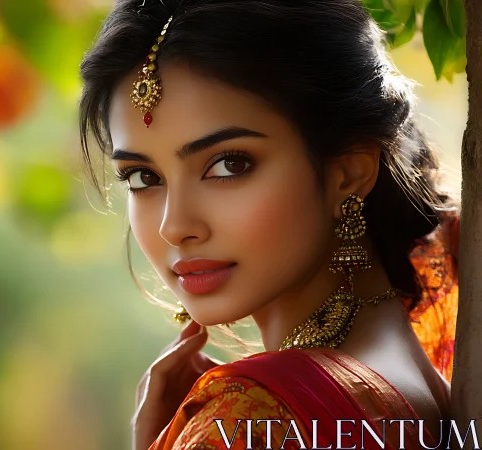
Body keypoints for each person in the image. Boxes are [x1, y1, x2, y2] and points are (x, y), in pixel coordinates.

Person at [78, 1, 460, 449]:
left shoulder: (255, 417)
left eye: (229, 164)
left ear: (349, 173)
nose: (174, 225)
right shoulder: (418, 379)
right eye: (144, 177)